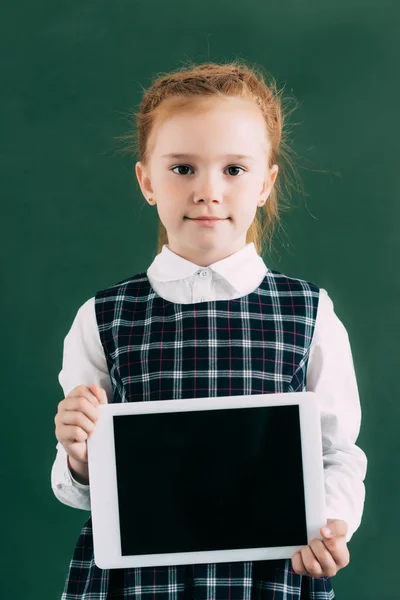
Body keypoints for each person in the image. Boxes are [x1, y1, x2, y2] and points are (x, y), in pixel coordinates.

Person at [52, 60, 367, 599]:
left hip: (266, 576)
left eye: (234, 170)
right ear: (147, 180)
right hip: (137, 582)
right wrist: (80, 455)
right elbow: (82, 487)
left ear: (266, 183)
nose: (208, 191)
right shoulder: (103, 317)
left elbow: (336, 453)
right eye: (182, 168)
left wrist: (330, 524)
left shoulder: (309, 313)